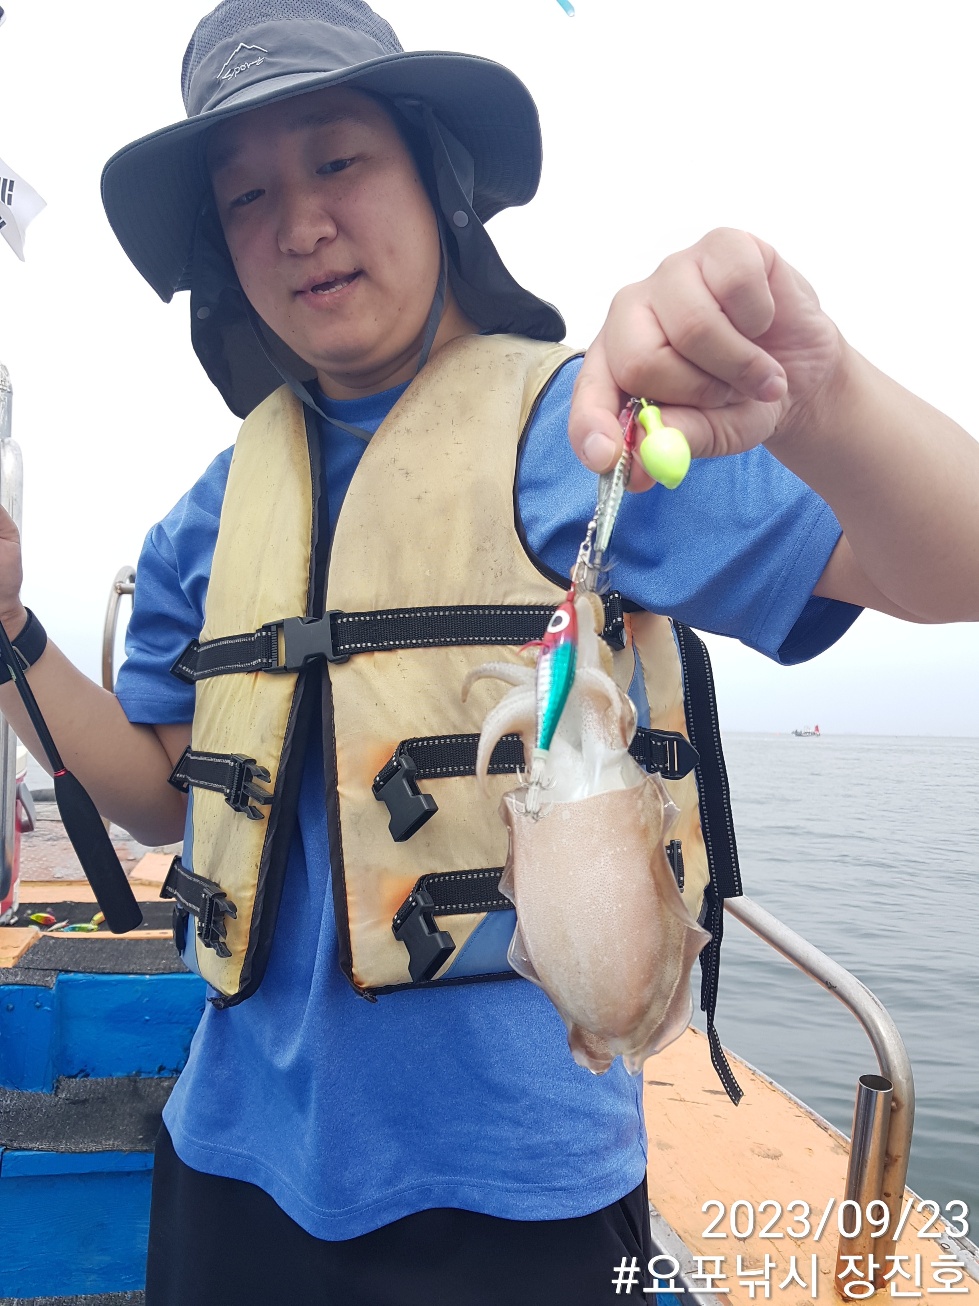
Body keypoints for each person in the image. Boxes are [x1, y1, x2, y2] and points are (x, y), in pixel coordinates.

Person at [1, 2, 977, 1304]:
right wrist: (12, 627)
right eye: (245, 196)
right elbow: (155, 791)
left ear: (437, 174)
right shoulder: (213, 513)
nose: (299, 224)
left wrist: (824, 392)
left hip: (524, 1194)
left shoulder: (581, 433)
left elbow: (948, 569)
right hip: (228, 1160)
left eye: (338, 159)